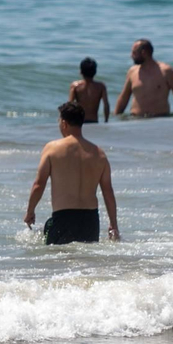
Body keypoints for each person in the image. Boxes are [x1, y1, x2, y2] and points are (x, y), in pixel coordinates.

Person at [23, 101, 118, 244]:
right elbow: (108, 192)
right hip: (90, 221)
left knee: (59, 261)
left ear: (64, 123)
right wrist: (114, 225)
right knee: (86, 262)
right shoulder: (99, 154)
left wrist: (30, 212)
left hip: (64, 218)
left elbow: (39, 184)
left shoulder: (52, 149)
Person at [114, 39, 173, 118]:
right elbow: (124, 97)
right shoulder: (132, 71)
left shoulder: (166, 71)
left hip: (160, 119)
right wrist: (115, 117)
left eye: (134, 53)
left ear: (143, 53)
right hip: (136, 119)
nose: (131, 56)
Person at [68, 58, 109, 123]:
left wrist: (69, 121)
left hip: (80, 121)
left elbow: (70, 105)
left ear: (81, 71)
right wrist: (106, 120)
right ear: (95, 72)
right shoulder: (101, 86)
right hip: (94, 120)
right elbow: (106, 105)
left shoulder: (75, 86)